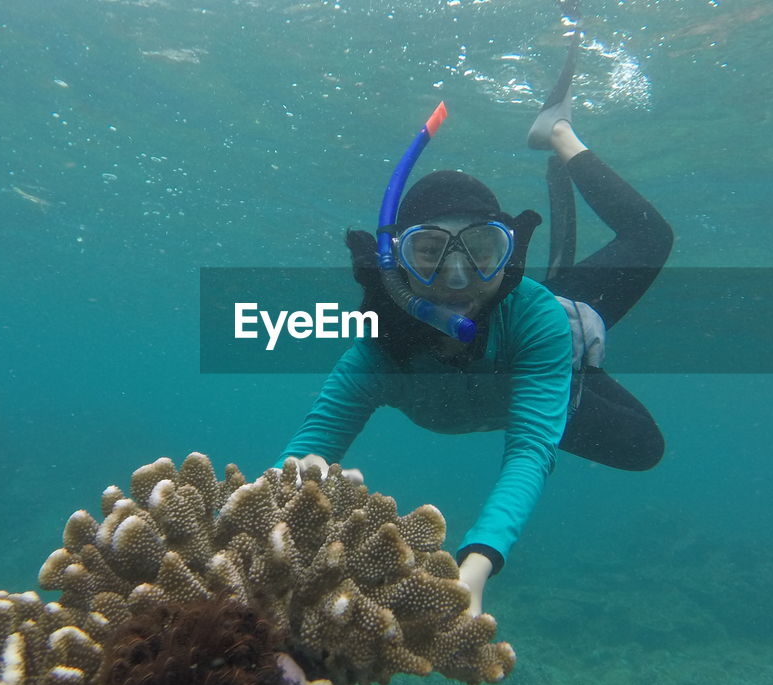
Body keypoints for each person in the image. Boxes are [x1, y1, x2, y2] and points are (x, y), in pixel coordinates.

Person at [277, 35, 673, 616]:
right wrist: (276, 520)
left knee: (643, 445)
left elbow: (529, 449)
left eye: (483, 250)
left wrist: (477, 563)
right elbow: (308, 451)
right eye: (431, 251)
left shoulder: (535, 317)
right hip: (520, 342)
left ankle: (557, 132)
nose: (459, 277)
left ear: (506, 255)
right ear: (397, 265)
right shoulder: (379, 350)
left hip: (540, 339)